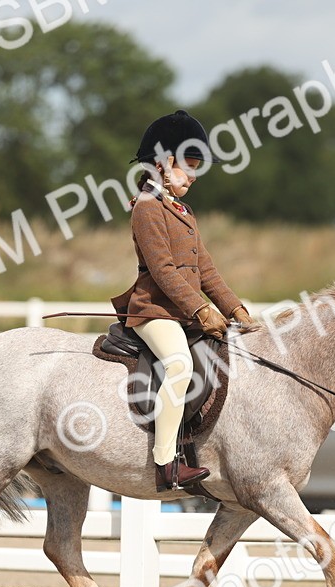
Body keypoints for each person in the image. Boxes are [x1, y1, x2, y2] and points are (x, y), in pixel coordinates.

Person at [110, 110, 255, 492]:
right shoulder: (146, 207)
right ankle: (165, 463)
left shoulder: (182, 210)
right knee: (178, 365)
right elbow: (164, 271)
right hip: (154, 312)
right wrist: (201, 309)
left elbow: (205, 269)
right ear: (163, 162)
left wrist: (235, 309)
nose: (193, 176)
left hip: (182, 314)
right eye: (188, 166)